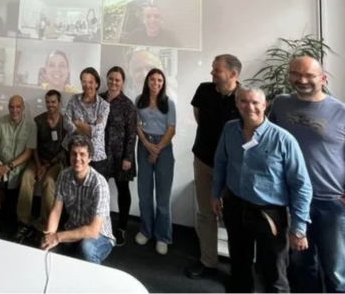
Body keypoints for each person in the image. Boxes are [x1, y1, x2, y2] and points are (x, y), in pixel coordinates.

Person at [270, 56, 345, 293]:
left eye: (309, 75)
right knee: (302, 267)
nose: (302, 80)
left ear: (322, 78)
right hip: (293, 202)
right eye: (296, 74)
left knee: (337, 274)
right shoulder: (281, 104)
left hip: (332, 204)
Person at [212, 85, 313, 293]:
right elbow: (221, 162)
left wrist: (299, 227)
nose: (249, 107)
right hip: (235, 206)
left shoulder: (283, 139)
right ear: (237, 104)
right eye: (243, 101)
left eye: (255, 102)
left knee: (274, 272)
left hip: (269, 214)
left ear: (264, 105)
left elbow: (301, 185)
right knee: (239, 264)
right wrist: (215, 194)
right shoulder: (229, 129)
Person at [185, 54, 242, 279]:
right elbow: (199, 117)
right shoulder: (204, 90)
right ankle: (208, 262)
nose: (211, 73)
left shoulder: (243, 98)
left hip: (232, 168)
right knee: (206, 213)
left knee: (233, 218)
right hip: (203, 160)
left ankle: (239, 269)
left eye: (216, 69)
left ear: (233, 74)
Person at [41, 134, 115, 265]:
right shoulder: (64, 176)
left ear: (90, 157)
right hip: (75, 227)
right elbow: (56, 210)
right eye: (74, 154)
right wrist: (50, 235)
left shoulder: (99, 184)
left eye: (82, 154)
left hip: (99, 235)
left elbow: (93, 230)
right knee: (46, 247)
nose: (77, 159)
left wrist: (57, 237)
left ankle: (91, 279)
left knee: (87, 248)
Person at [15, 90, 68, 242]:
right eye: (48, 102)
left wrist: (48, 166)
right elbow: (34, 146)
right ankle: (23, 221)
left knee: (49, 182)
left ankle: (45, 225)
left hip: (55, 162)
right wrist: (39, 166)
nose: (50, 105)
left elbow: (64, 150)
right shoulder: (38, 121)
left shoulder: (65, 123)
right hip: (38, 160)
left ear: (59, 103)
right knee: (26, 177)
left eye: (53, 102)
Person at [134, 68, 176, 255]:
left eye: (160, 80)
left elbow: (171, 129)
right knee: (144, 193)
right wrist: (146, 144)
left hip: (163, 147)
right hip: (144, 146)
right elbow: (137, 125)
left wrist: (156, 149)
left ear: (163, 83)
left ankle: (162, 237)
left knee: (162, 197)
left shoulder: (169, 103)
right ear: (147, 81)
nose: (156, 83)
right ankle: (146, 230)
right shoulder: (139, 101)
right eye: (153, 79)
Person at [0, 95, 37, 235]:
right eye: (11, 107)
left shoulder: (31, 125)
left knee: (12, 208)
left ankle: (14, 223)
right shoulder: (0, 122)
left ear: (23, 108)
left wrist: (8, 167)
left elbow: (28, 152)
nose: (14, 110)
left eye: (18, 107)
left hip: (18, 168)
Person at [100, 66, 138, 246]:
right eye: (111, 79)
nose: (114, 82)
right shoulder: (98, 99)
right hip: (101, 154)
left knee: (123, 191)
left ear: (122, 83)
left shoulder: (128, 104)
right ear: (107, 79)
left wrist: (128, 158)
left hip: (121, 155)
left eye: (118, 80)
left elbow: (132, 134)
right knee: (100, 191)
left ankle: (122, 228)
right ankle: (100, 225)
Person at [63, 67, 109, 178]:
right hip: (73, 150)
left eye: (90, 82)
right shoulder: (74, 99)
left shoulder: (104, 106)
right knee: (72, 186)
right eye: (84, 82)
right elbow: (66, 123)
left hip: (94, 155)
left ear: (97, 84)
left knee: (92, 188)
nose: (86, 85)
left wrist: (78, 123)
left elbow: (97, 132)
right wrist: (89, 127)